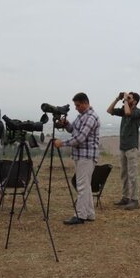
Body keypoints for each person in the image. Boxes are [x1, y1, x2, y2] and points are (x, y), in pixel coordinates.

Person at [53, 92, 100, 225]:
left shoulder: (91, 117)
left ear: (85, 103)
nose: (76, 108)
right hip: (81, 156)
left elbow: (80, 138)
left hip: (86, 156)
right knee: (86, 186)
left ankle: (80, 215)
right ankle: (89, 214)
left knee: (82, 186)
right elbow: (73, 130)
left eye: (78, 105)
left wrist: (62, 143)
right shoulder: (82, 116)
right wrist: (66, 124)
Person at [107, 91, 140, 210]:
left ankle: (135, 199)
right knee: (124, 174)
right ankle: (125, 197)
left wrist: (126, 100)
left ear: (135, 101)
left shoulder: (137, 112)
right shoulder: (124, 109)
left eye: (130, 98)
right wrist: (118, 98)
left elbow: (128, 113)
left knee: (132, 174)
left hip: (131, 147)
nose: (127, 99)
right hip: (123, 147)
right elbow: (109, 110)